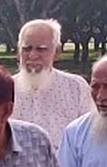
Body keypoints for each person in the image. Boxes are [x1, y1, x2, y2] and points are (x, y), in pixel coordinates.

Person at [11, 19, 94, 147]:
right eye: (27, 49)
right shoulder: (4, 89)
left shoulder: (76, 87)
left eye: (41, 49)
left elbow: (90, 137)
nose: (32, 56)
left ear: (57, 53)